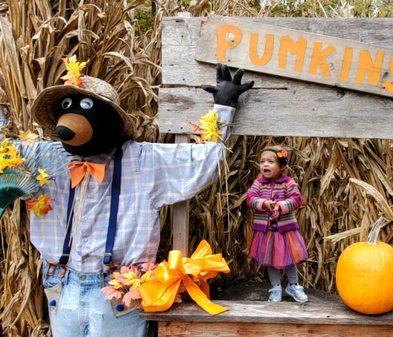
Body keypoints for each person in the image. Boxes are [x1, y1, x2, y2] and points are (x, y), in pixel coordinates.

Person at [4, 61, 252, 337]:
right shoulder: (45, 157)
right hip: (60, 286)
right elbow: (5, 157)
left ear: (110, 119)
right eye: (66, 108)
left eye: (84, 108)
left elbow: (203, 161)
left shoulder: (141, 160)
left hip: (119, 292)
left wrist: (223, 106)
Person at [246, 146, 309, 302]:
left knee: (289, 259)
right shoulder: (258, 183)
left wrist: (280, 206)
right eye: (262, 161)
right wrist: (264, 203)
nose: (265, 165)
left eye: (270, 161)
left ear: (281, 166)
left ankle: (293, 285)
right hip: (266, 231)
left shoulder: (288, 182)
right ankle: (276, 287)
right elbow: (250, 198)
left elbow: (296, 199)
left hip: (285, 231)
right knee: (270, 260)